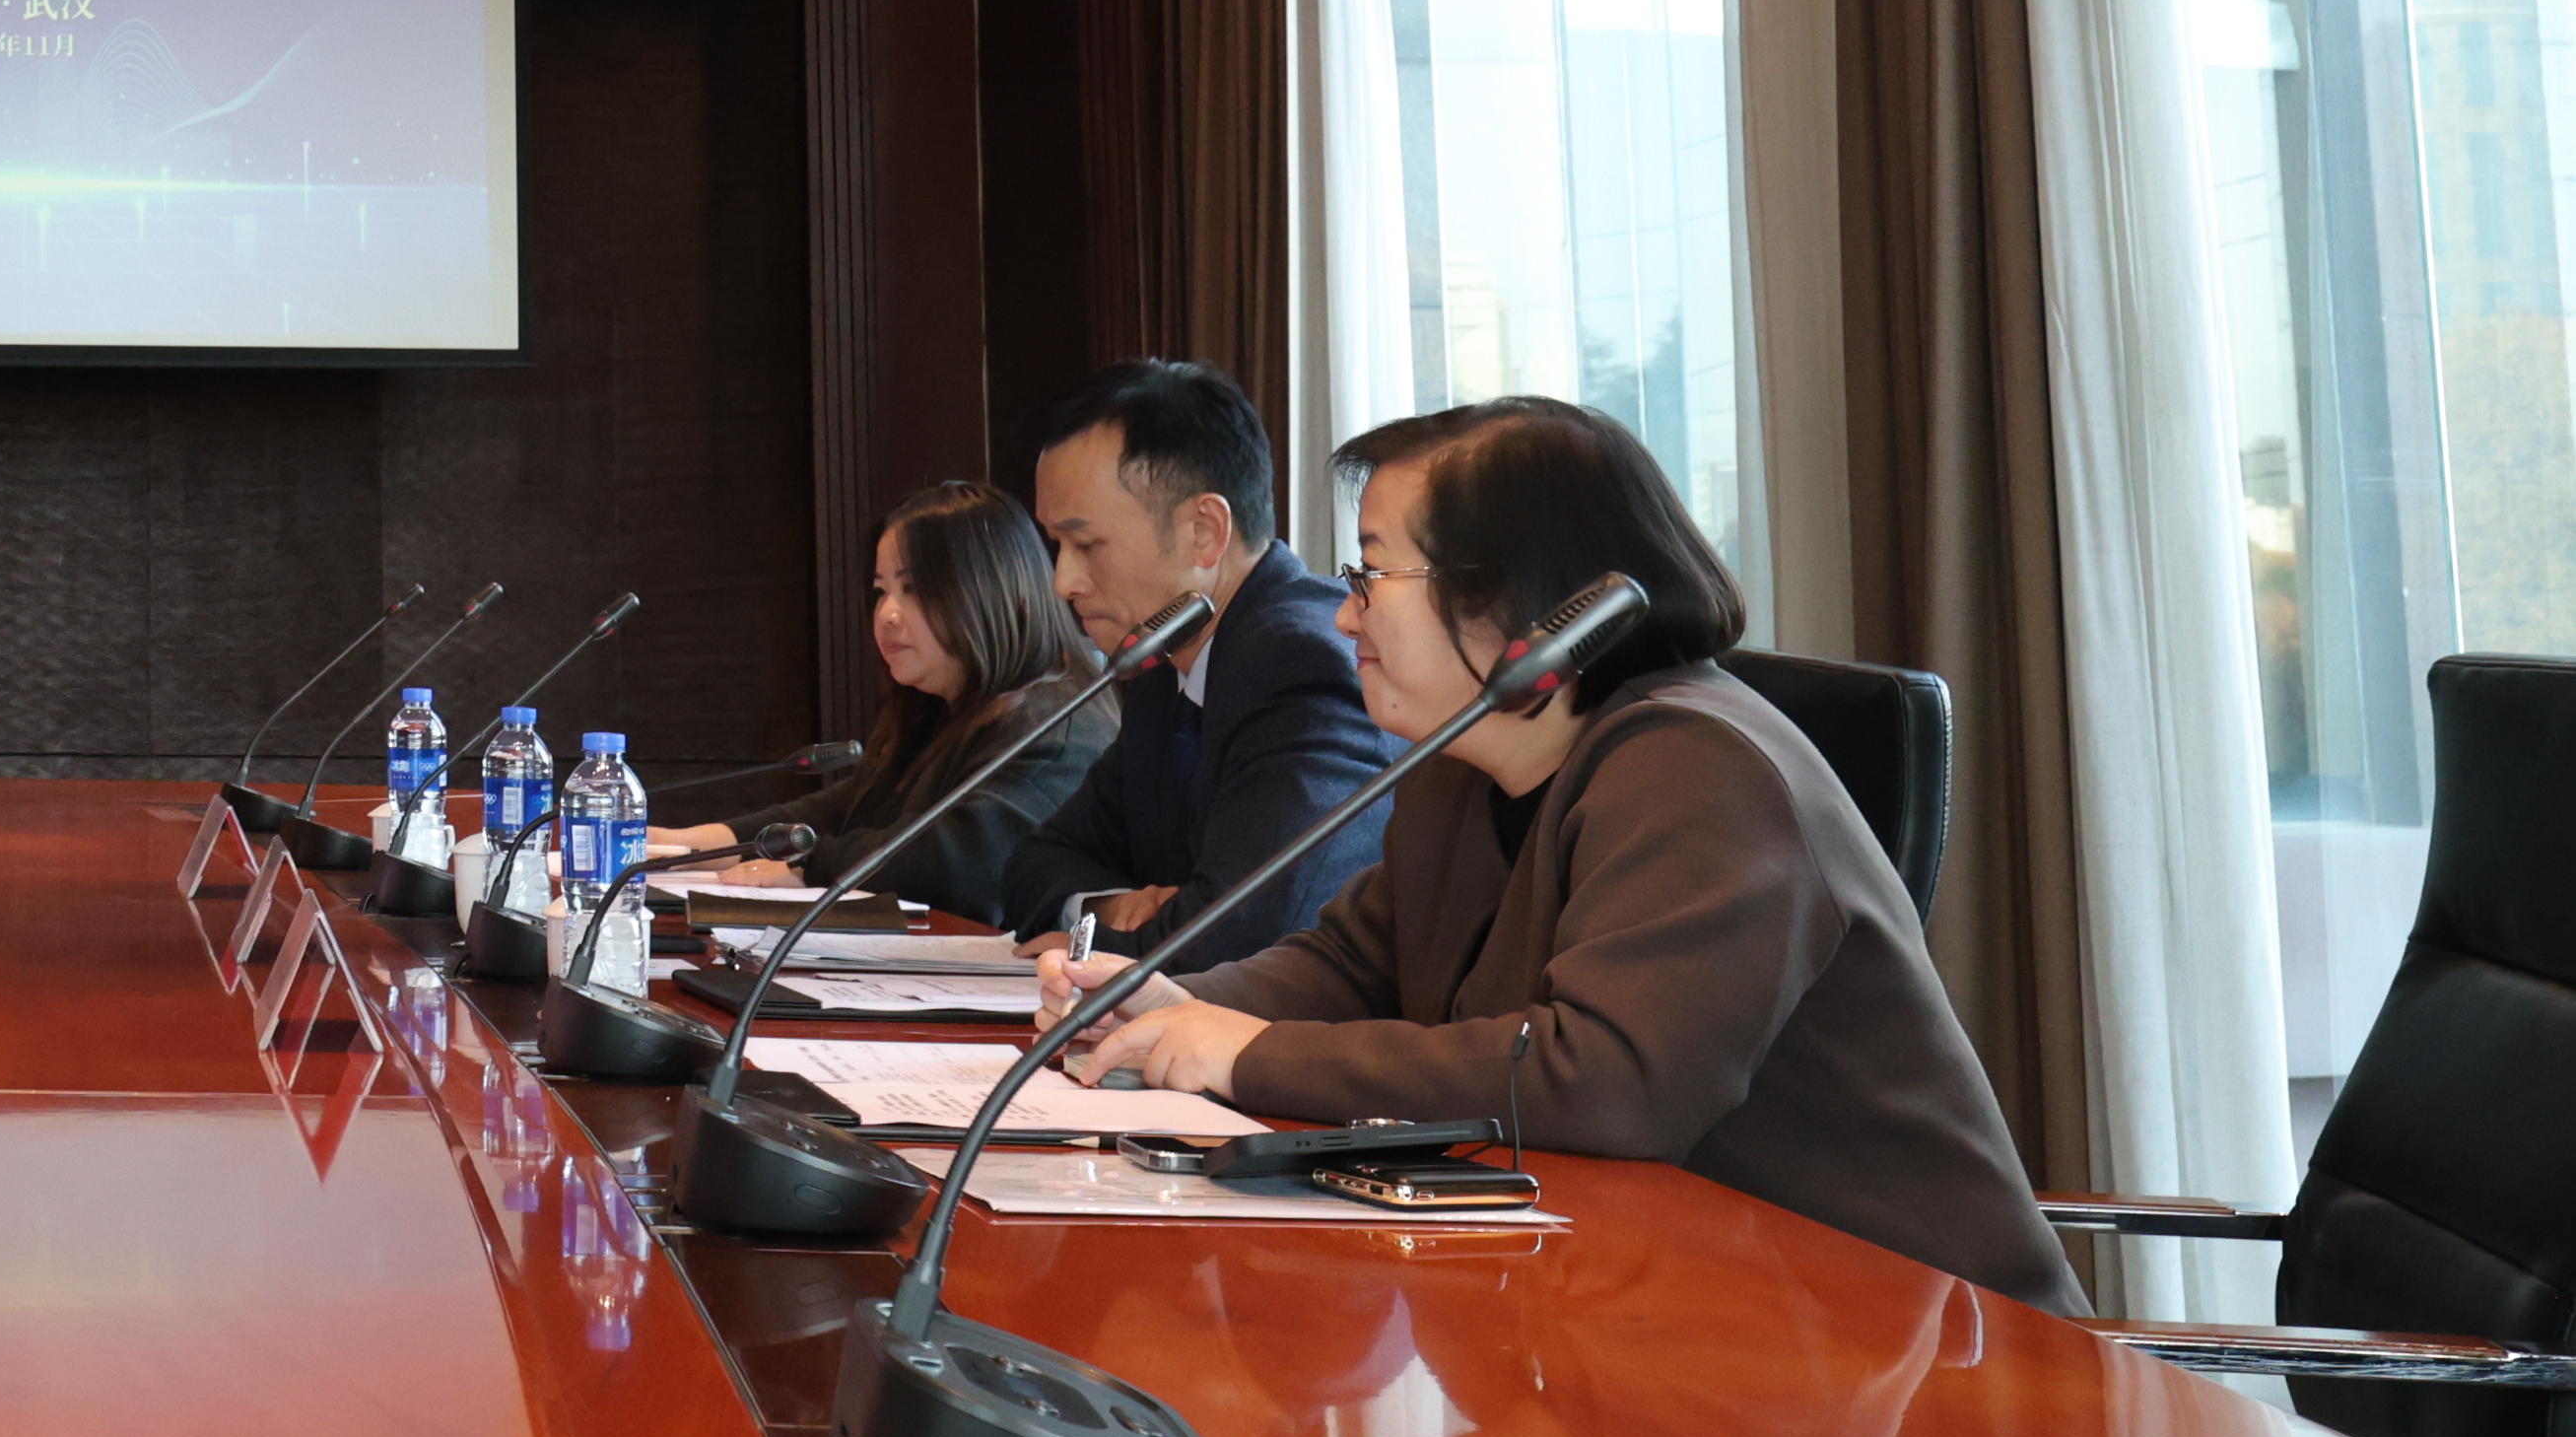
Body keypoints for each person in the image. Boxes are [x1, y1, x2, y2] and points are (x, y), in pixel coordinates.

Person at [1053, 394, 2083, 1313]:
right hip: (1666, 1307)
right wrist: (1172, 1005)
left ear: (1517, 604)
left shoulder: (1700, 769)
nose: (1343, 614)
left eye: (1372, 576)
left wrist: (1244, 1051)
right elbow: (1355, 964)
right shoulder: (1464, 764)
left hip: (1909, 1341)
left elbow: (1601, 1079)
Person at [993, 359, 1395, 973]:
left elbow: (1246, 939)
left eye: (1087, 544)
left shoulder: (1298, 665)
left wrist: (1092, 948)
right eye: (1057, 546)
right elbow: (1032, 864)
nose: (1063, 582)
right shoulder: (1168, 671)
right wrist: (1109, 906)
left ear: (1204, 532)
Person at [798, 482, 1119, 915]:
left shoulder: (1057, 729)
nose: (887, 614)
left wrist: (807, 864)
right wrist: (722, 841)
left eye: (914, 588)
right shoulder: (936, 707)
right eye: (881, 591)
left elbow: (959, 865)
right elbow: (851, 807)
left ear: (989, 590)